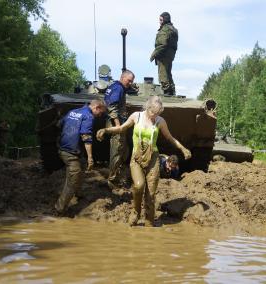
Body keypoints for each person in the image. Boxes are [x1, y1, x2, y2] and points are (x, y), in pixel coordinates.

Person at [97, 96, 191, 226]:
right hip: (137, 157)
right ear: (147, 108)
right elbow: (121, 128)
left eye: (157, 113)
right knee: (139, 185)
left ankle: (149, 221)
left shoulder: (160, 121)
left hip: (153, 158)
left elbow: (170, 138)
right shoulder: (137, 116)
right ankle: (135, 212)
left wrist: (182, 148)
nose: (154, 116)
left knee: (151, 193)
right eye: (153, 112)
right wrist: (106, 130)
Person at [55, 99, 106, 215]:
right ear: (96, 107)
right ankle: (60, 208)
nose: (100, 115)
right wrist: (90, 157)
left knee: (81, 165)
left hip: (64, 148)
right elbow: (86, 137)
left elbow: (59, 124)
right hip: (70, 152)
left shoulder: (73, 111)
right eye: (101, 112)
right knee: (74, 177)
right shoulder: (89, 116)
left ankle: (78, 193)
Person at [104, 69, 135, 189]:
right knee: (117, 151)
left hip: (116, 124)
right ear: (122, 78)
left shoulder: (114, 87)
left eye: (132, 81)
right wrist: (118, 126)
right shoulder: (119, 88)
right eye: (129, 80)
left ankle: (117, 175)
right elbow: (112, 107)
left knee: (124, 150)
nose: (130, 83)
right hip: (116, 125)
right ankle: (112, 181)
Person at [150, 12, 178, 96]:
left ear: (164, 19)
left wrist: (154, 54)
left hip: (163, 55)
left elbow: (162, 44)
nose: (159, 21)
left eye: (161, 19)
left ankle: (167, 91)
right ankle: (172, 90)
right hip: (170, 55)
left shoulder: (165, 29)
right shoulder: (173, 29)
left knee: (163, 73)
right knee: (168, 73)